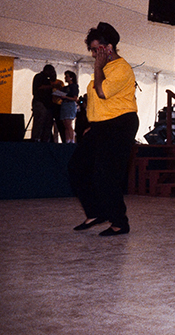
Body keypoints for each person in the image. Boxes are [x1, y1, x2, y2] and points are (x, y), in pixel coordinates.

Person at [69, 23, 139, 236]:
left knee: (106, 174)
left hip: (120, 124)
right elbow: (97, 103)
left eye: (96, 49)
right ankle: (95, 212)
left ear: (109, 47)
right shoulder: (104, 68)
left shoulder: (121, 68)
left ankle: (120, 222)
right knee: (77, 167)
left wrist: (98, 67)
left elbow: (101, 92)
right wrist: (93, 125)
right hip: (102, 125)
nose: (93, 54)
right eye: (91, 50)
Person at [31, 64, 57, 142]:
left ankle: (45, 139)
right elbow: (39, 88)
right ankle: (36, 138)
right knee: (40, 120)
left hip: (48, 104)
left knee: (48, 122)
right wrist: (52, 86)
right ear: (47, 71)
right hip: (40, 102)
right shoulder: (39, 77)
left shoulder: (48, 79)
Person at [58, 70, 79, 143]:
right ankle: (67, 140)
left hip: (69, 105)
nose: (65, 78)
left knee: (68, 123)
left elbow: (75, 98)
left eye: (67, 76)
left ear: (71, 78)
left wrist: (65, 97)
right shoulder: (65, 87)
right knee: (65, 124)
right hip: (64, 105)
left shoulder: (74, 86)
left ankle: (72, 140)